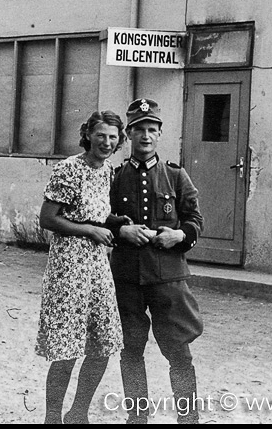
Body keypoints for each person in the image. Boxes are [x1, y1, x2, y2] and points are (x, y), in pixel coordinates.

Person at [110, 98, 204, 424]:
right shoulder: (115, 177)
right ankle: (137, 418)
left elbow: (194, 221)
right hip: (127, 278)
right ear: (129, 134)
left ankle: (187, 419)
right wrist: (122, 230)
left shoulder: (176, 177)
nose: (145, 136)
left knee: (179, 351)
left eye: (152, 129)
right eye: (139, 130)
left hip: (168, 279)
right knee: (131, 349)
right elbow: (99, 219)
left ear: (160, 134)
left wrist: (180, 237)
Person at [35, 110, 128, 424]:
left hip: (99, 268)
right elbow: (48, 219)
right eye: (100, 135)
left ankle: (78, 413)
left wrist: (114, 222)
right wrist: (90, 230)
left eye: (113, 137)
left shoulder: (107, 171)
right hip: (69, 268)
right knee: (67, 346)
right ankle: (52, 418)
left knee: (103, 344)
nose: (106, 142)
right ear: (88, 134)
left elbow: (93, 213)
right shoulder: (69, 169)